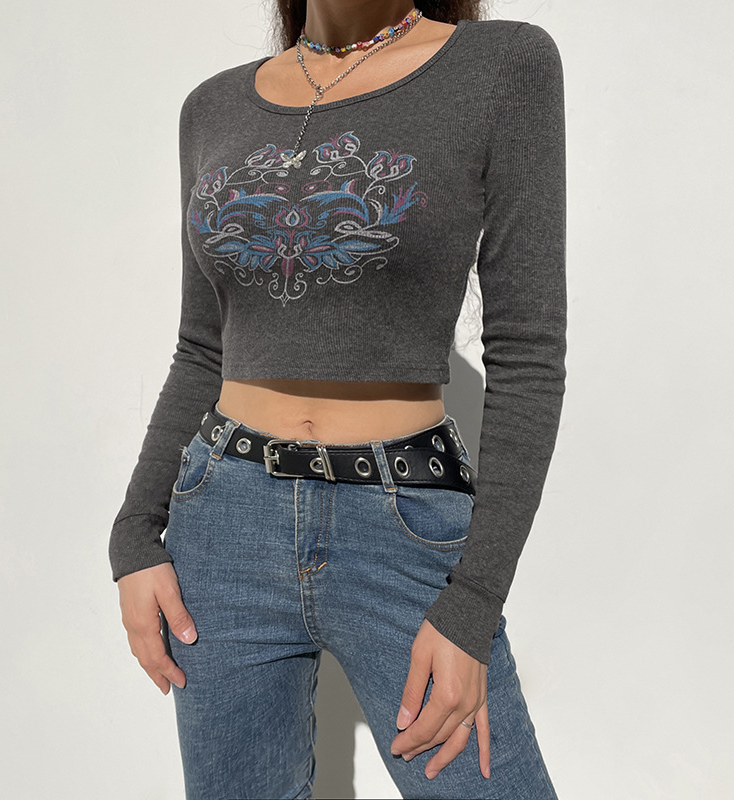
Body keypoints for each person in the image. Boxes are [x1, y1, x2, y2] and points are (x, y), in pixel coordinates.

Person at [110, 1, 567, 798]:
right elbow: (204, 348)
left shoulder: (501, 66)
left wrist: (473, 604)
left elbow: (527, 354)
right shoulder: (211, 107)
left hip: (403, 524)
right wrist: (134, 534)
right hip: (224, 524)